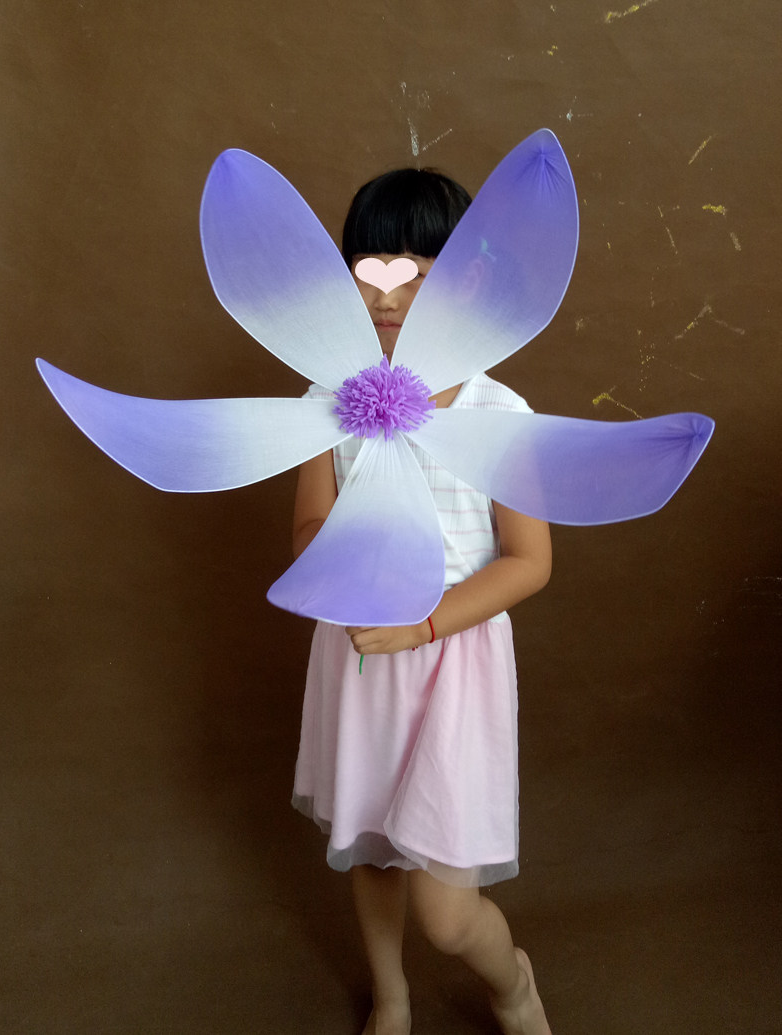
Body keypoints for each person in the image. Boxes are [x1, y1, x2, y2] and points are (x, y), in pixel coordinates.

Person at [291, 167, 554, 1035]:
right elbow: (309, 526)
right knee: (369, 845)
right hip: (363, 648)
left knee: (446, 910)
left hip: (453, 655)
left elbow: (529, 561)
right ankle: (391, 996)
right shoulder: (327, 400)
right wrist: (354, 574)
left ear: (467, 279)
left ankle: (512, 982)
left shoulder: (498, 410)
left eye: (417, 271)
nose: (388, 292)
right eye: (371, 268)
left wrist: (426, 620)